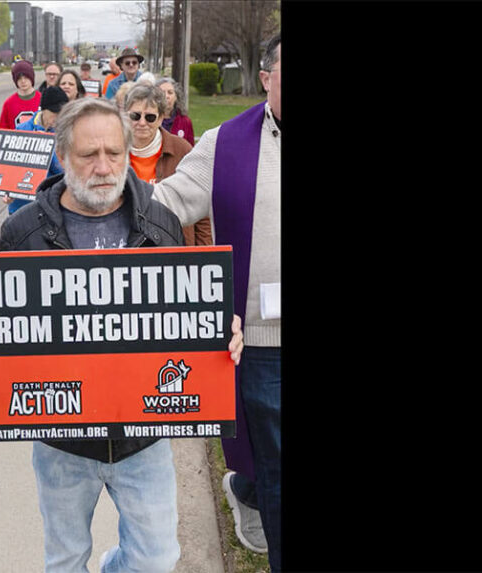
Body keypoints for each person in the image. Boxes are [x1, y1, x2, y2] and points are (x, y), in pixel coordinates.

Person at [0, 96, 246, 572]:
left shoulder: (160, 224)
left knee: (157, 559)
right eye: (89, 155)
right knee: (66, 559)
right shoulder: (24, 230)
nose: (104, 167)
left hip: (143, 439)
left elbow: (187, 307)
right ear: (63, 156)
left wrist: (220, 328)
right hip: (61, 442)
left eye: (114, 153)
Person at [151, 33, 282, 572]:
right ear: (267, 78)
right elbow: (165, 204)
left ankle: (246, 491)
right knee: (277, 468)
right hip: (262, 343)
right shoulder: (225, 143)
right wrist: (84, 195)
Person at [123, 83, 211, 246]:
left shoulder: (182, 149)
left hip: (175, 246)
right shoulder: (112, 151)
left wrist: (203, 252)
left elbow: (202, 210)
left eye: (150, 117)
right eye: (135, 116)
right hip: (128, 248)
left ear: (162, 118)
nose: (142, 123)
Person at [2, 86, 69, 215]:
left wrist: (48, 147)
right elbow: (10, 167)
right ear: (43, 109)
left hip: (49, 205)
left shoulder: (65, 131)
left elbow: (64, 171)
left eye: (62, 113)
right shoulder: (22, 129)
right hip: (20, 207)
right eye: (55, 112)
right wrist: (7, 191)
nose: (58, 117)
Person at [0, 58, 41, 130]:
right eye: (19, 78)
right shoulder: (9, 104)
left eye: (26, 77)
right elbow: (3, 130)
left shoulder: (43, 100)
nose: (23, 81)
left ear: (32, 78)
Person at [156, 77, 195, 147]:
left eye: (170, 93)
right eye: (162, 92)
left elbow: (190, 149)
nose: (166, 96)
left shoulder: (185, 121)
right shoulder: (150, 119)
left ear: (176, 97)